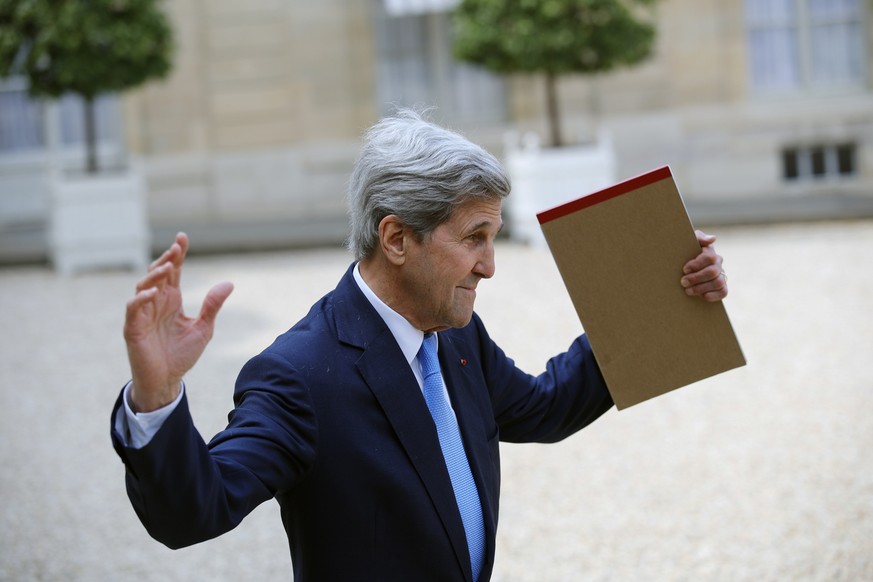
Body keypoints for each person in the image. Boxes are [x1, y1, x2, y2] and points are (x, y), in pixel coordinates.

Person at [111, 109, 728, 582]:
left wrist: (663, 293)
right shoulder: (298, 376)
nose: (489, 266)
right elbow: (194, 511)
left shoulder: (457, 334)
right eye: (474, 238)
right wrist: (157, 395)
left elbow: (547, 407)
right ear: (398, 238)